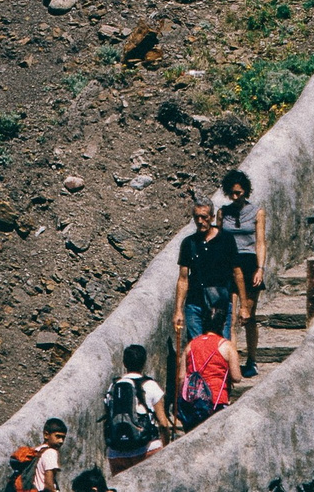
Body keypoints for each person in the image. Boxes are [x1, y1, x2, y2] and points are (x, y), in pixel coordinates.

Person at [216, 168, 267, 378]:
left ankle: (252, 360)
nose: (235, 197)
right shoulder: (223, 213)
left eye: (239, 193)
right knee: (231, 315)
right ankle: (233, 362)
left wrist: (260, 268)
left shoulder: (257, 212)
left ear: (246, 191)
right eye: (232, 193)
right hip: (228, 264)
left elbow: (261, 242)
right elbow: (218, 240)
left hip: (248, 263)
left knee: (248, 315)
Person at [176, 196, 243, 355]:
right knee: (196, 348)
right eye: (196, 217)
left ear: (212, 217)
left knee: (221, 347)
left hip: (219, 303)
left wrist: (244, 306)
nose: (200, 221)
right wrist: (178, 310)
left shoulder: (226, 240)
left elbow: (237, 273)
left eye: (204, 217)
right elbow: (183, 279)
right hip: (195, 303)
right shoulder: (189, 243)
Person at [101, 345, 167, 475]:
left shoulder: (113, 386)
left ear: (124, 363)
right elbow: (163, 423)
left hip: (116, 453)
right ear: (144, 363)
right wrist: (165, 446)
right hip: (146, 449)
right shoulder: (150, 385)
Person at [172, 310, 235, 428]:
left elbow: (181, 377)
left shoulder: (191, 345)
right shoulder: (226, 346)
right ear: (222, 325)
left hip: (193, 400)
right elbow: (236, 377)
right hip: (217, 399)